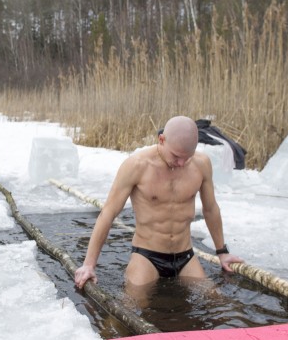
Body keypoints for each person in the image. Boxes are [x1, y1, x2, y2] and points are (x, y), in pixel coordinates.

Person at [73, 116, 243, 294]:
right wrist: (88, 265)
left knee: (216, 300)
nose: (181, 163)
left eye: (187, 157)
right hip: (147, 256)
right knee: (132, 304)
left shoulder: (201, 164)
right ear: (161, 140)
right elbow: (108, 213)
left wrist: (222, 252)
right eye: (176, 156)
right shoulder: (137, 165)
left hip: (185, 255)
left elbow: (210, 209)